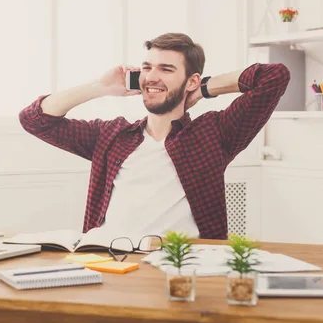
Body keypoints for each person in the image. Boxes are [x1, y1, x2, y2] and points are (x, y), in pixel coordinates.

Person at [19, 33, 290, 239]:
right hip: (107, 264)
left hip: (178, 267)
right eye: (147, 67)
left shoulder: (214, 134)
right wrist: (98, 87)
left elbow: (273, 77)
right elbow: (34, 119)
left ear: (191, 80)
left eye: (166, 69)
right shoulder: (112, 135)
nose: (151, 77)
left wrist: (203, 88)